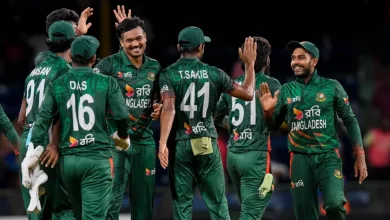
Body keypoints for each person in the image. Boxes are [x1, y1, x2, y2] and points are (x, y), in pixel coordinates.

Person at [258, 41, 368, 220]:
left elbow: (350, 119)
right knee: (305, 215)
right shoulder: (286, 90)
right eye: (293, 58)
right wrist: (267, 112)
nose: (295, 62)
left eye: (301, 57)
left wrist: (360, 155)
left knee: (334, 204)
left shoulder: (332, 86)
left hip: (327, 156)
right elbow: (273, 125)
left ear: (314, 61)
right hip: (299, 159)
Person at [27, 35, 131, 220]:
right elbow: (122, 116)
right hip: (96, 160)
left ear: (71, 57)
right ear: (93, 59)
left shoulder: (57, 84)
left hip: (69, 163)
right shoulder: (107, 83)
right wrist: (123, 136)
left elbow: (42, 120)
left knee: (78, 215)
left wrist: (33, 151)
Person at [158, 26, 257, 220]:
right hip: (206, 142)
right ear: (201, 47)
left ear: (179, 47)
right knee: (218, 205)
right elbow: (248, 93)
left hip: (180, 144)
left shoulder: (167, 74)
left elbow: (169, 108)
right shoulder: (215, 73)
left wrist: (162, 143)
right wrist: (250, 64)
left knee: (182, 205)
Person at [93, 15, 161, 220]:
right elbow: (88, 86)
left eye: (138, 38)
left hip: (145, 141)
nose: (135, 44)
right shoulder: (108, 66)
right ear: (121, 43)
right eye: (129, 40)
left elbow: (160, 99)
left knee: (144, 205)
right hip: (117, 140)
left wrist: (159, 107)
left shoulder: (155, 67)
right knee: (111, 202)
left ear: (146, 38)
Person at [18, 21, 79, 220]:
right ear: (73, 42)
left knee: (37, 210)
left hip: (28, 139)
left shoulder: (32, 74)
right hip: (50, 140)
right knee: (64, 205)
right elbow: (61, 113)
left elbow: (20, 118)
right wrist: (54, 144)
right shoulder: (65, 70)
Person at [214, 36, 280, 220]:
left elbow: (216, 116)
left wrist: (236, 126)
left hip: (233, 157)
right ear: (267, 60)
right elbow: (281, 122)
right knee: (250, 215)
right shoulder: (272, 84)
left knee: (248, 211)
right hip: (255, 157)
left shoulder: (232, 86)